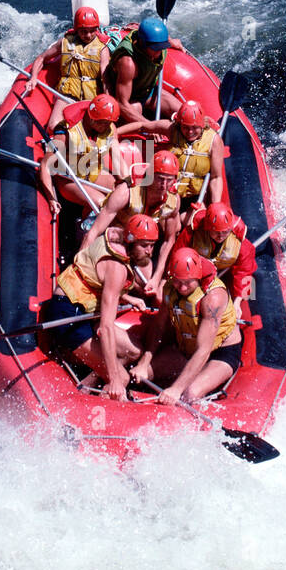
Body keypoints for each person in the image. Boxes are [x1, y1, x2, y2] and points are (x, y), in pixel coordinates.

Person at [43, 214, 159, 401]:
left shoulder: (114, 236)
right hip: (68, 312)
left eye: (152, 245)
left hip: (81, 306)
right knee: (122, 378)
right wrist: (114, 379)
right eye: (144, 245)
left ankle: (87, 385)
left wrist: (127, 298)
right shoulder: (117, 268)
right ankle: (87, 402)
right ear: (130, 240)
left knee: (134, 351)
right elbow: (105, 328)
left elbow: (96, 281)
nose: (149, 251)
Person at [129, 247, 243, 404]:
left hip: (219, 353)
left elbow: (203, 351)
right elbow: (158, 327)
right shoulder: (170, 288)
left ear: (198, 277)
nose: (182, 288)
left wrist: (176, 389)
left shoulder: (213, 298)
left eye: (188, 283)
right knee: (140, 376)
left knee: (189, 393)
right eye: (177, 281)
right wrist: (144, 362)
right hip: (185, 349)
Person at [82, 148, 181, 292]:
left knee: (144, 285)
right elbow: (95, 231)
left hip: (138, 243)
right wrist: (81, 264)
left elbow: (169, 239)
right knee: (110, 276)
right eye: (160, 178)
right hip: (112, 236)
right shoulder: (127, 191)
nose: (164, 185)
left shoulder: (174, 200)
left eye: (169, 180)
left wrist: (157, 277)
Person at [38, 93, 125, 216]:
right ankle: (83, 228)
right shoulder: (65, 132)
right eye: (104, 123)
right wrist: (52, 198)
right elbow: (45, 166)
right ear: (92, 119)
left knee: (121, 197)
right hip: (69, 179)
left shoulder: (110, 128)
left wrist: (128, 183)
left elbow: (118, 160)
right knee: (103, 204)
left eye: (109, 123)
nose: (107, 127)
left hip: (94, 174)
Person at [26, 6, 110, 129]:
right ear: (77, 29)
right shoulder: (64, 42)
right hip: (67, 94)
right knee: (54, 126)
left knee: (89, 130)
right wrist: (33, 78)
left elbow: (105, 77)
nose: (88, 35)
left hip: (91, 97)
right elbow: (41, 58)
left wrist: (107, 99)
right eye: (84, 31)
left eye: (92, 30)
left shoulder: (102, 48)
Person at [178, 201, 257, 320]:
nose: (220, 236)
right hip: (194, 273)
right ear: (208, 228)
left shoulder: (242, 244)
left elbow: (244, 272)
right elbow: (179, 254)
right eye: (216, 232)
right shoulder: (192, 233)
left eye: (225, 232)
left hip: (220, 275)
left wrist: (237, 302)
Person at [104, 16, 185, 131]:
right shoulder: (128, 63)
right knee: (136, 108)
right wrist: (152, 127)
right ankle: (142, 144)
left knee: (183, 111)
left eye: (162, 46)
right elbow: (121, 104)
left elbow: (163, 37)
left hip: (146, 92)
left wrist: (172, 42)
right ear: (144, 44)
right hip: (128, 100)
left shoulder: (159, 43)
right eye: (156, 48)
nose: (160, 51)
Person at [167, 100, 225, 211]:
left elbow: (216, 177)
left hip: (194, 198)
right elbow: (143, 126)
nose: (190, 132)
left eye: (194, 127)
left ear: (202, 125)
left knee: (196, 222)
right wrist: (151, 138)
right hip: (169, 194)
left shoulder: (214, 141)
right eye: (186, 127)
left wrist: (215, 207)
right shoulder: (171, 129)